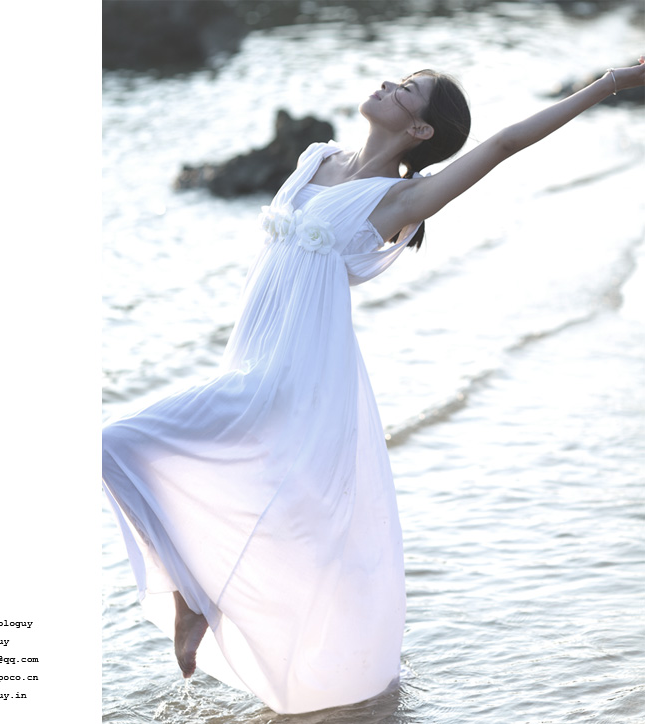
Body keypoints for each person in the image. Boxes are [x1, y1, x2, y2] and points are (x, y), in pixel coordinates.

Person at [102, 58, 645, 715]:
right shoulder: (317, 158)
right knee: (279, 520)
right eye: (396, 80)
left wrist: (609, 85)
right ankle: (219, 604)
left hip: (294, 374)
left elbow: (503, 144)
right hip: (247, 360)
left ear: (421, 131)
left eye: (407, 90)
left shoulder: (398, 203)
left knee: (114, 444)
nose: (389, 85)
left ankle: (193, 601)